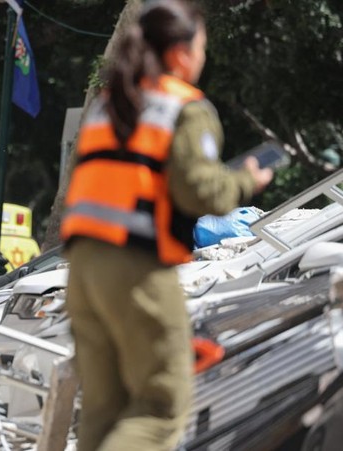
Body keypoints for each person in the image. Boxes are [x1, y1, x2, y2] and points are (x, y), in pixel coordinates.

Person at [59, 1, 273, 450]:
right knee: (160, 407)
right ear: (179, 51)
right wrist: (245, 180)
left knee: (103, 409)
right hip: (135, 267)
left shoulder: (107, 103)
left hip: (81, 269)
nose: (204, 57)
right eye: (201, 46)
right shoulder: (184, 107)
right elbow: (200, 192)